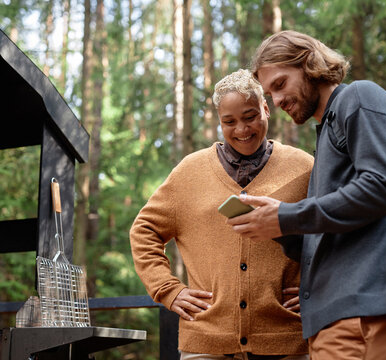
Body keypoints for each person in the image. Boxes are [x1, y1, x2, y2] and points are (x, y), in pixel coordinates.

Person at [226, 31, 386, 359]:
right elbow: (341, 220)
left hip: (363, 312)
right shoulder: (329, 132)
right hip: (339, 318)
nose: (276, 101)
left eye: (280, 84)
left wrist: (287, 216)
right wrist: (276, 224)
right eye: (269, 93)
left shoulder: (359, 98)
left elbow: (385, 187)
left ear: (308, 64)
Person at [129, 69, 314, 360]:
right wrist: (167, 289)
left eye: (250, 116)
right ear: (219, 121)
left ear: (266, 108)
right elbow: (144, 230)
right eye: (229, 121)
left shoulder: (303, 168)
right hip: (205, 342)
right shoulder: (190, 172)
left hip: (287, 339)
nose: (241, 129)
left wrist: (318, 288)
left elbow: (334, 232)